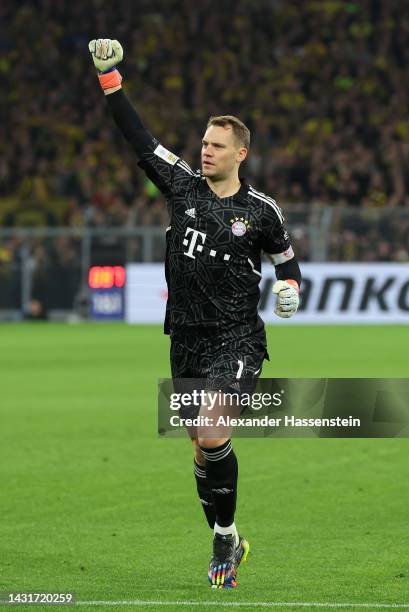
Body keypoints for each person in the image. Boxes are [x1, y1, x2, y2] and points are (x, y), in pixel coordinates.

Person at [89, 39, 302, 589]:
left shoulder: (260, 212)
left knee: (211, 429)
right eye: (204, 142)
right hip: (184, 337)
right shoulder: (180, 186)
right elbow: (137, 135)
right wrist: (110, 76)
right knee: (200, 450)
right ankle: (229, 535)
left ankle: (222, 538)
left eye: (216, 145)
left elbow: (287, 263)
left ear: (240, 154)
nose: (205, 151)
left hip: (236, 338)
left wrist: (291, 289)